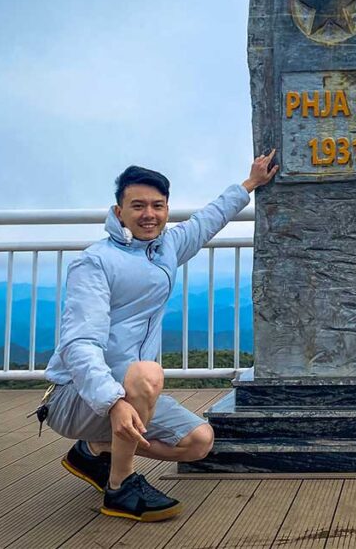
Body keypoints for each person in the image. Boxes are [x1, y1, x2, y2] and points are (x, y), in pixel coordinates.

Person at [40, 152, 277, 522]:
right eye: (138, 206)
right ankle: (119, 485)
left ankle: (93, 450)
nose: (149, 214)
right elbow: (79, 344)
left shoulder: (165, 247)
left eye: (158, 205)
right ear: (118, 212)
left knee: (199, 442)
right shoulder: (94, 262)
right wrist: (114, 402)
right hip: (76, 396)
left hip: (129, 391)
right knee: (147, 374)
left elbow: (205, 222)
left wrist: (249, 184)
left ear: (167, 210)